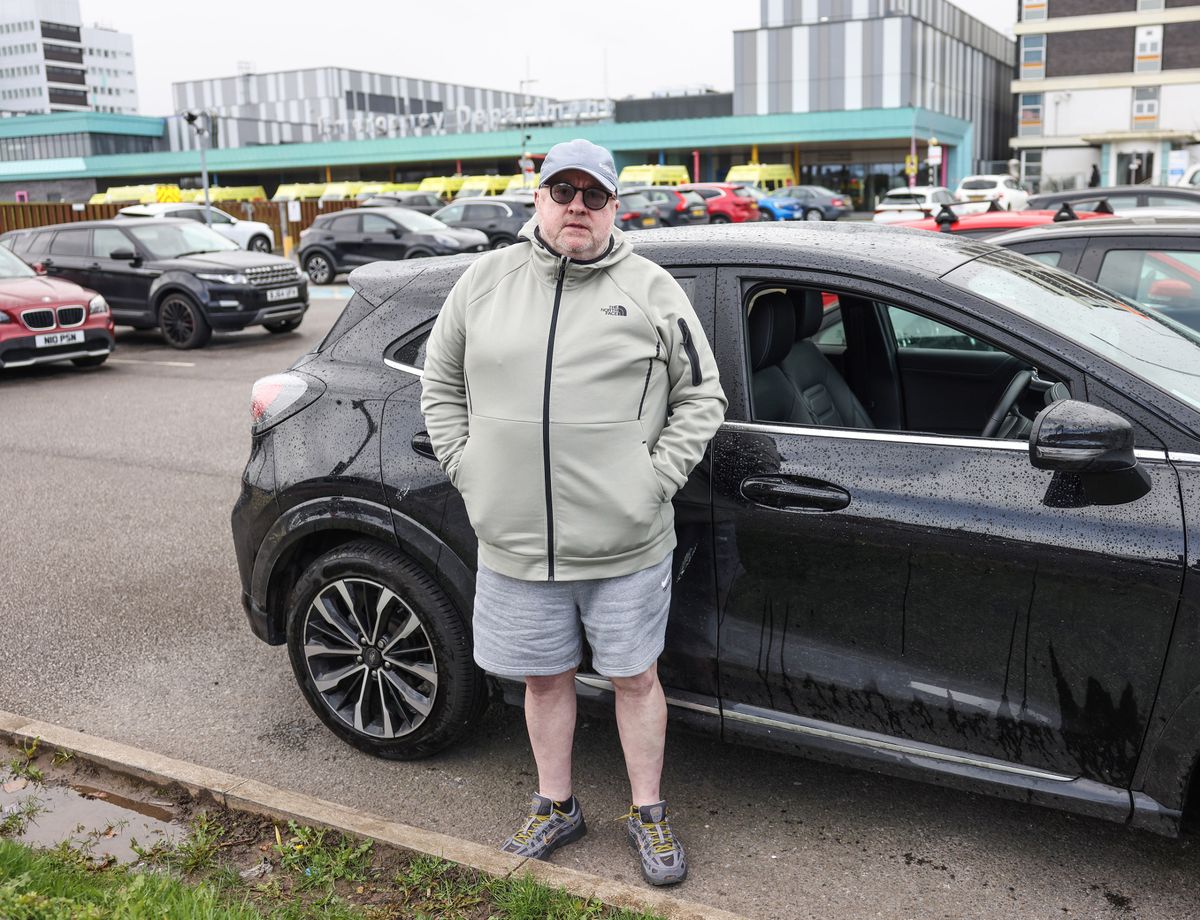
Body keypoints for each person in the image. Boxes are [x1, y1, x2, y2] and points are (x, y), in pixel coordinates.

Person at [420, 138, 726, 886]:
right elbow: (440, 385)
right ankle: (556, 804)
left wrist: (650, 482)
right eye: (564, 192)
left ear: (615, 206)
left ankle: (647, 810)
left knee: (635, 680)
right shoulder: (485, 282)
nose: (577, 208)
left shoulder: (652, 288)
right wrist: (472, 471)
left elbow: (702, 396)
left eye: (594, 195)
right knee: (545, 680)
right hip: (517, 541)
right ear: (539, 197)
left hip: (625, 542)